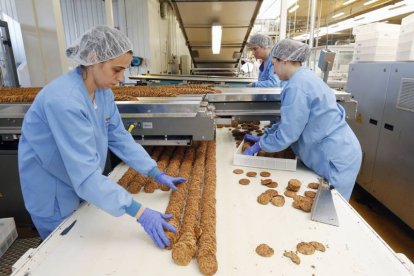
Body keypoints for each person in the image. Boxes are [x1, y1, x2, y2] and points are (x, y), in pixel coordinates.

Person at [18, 26, 186, 248]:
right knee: (64, 256)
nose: (121, 78)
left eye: (124, 70)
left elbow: (118, 136)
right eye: (116, 70)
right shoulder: (64, 101)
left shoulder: (102, 92)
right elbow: (86, 176)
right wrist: (140, 212)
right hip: (54, 194)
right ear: (93, 59)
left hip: (80, 185)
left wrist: (154, 171)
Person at [243, 39, 362, 201]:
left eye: (274, 64)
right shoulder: (302, 78)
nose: (274, 71)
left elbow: (288, 134)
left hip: (335, 157)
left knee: (328, 210)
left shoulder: (297, 86)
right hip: (333, 149)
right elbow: (291, 121)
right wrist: (267, 135)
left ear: (284, 60)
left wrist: (261, 145)